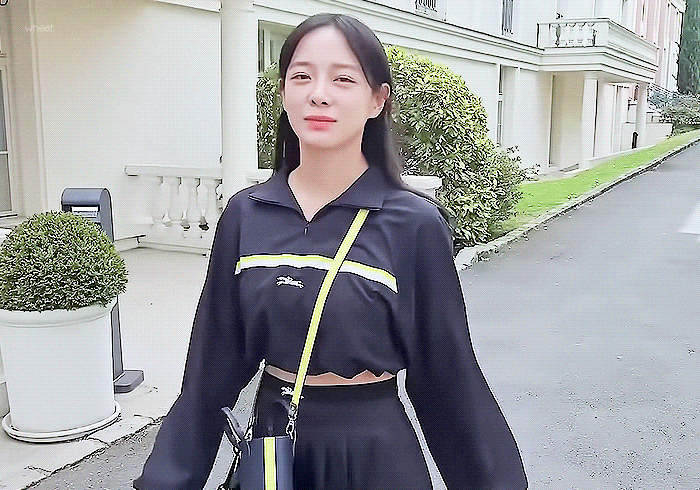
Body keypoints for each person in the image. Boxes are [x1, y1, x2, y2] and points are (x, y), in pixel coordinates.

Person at [134, 13, 527, 490]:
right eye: (302, 76)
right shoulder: (246, 214)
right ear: (283, 92)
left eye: (343, 79)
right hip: (274, 450)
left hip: (375, 455)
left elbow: (447, 376)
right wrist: (167, 479)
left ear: (377, 99)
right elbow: (209, 370)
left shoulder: (412, 224)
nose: (319, 94)